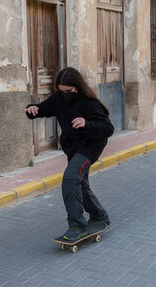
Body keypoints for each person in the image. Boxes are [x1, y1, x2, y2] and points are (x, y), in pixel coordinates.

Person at [24, 67, 114, 241]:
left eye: (69, 91)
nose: (65, 94)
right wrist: (32, 109)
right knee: (80, 184)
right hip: (72, 147)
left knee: (71, 178)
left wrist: (87, 124)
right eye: (61, 91)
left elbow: (108, 129)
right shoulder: (59, 98)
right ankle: (99, 216)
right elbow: (41, 109)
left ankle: (77, 225)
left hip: (90, 147)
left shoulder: (89, 102)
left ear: (77, 87)